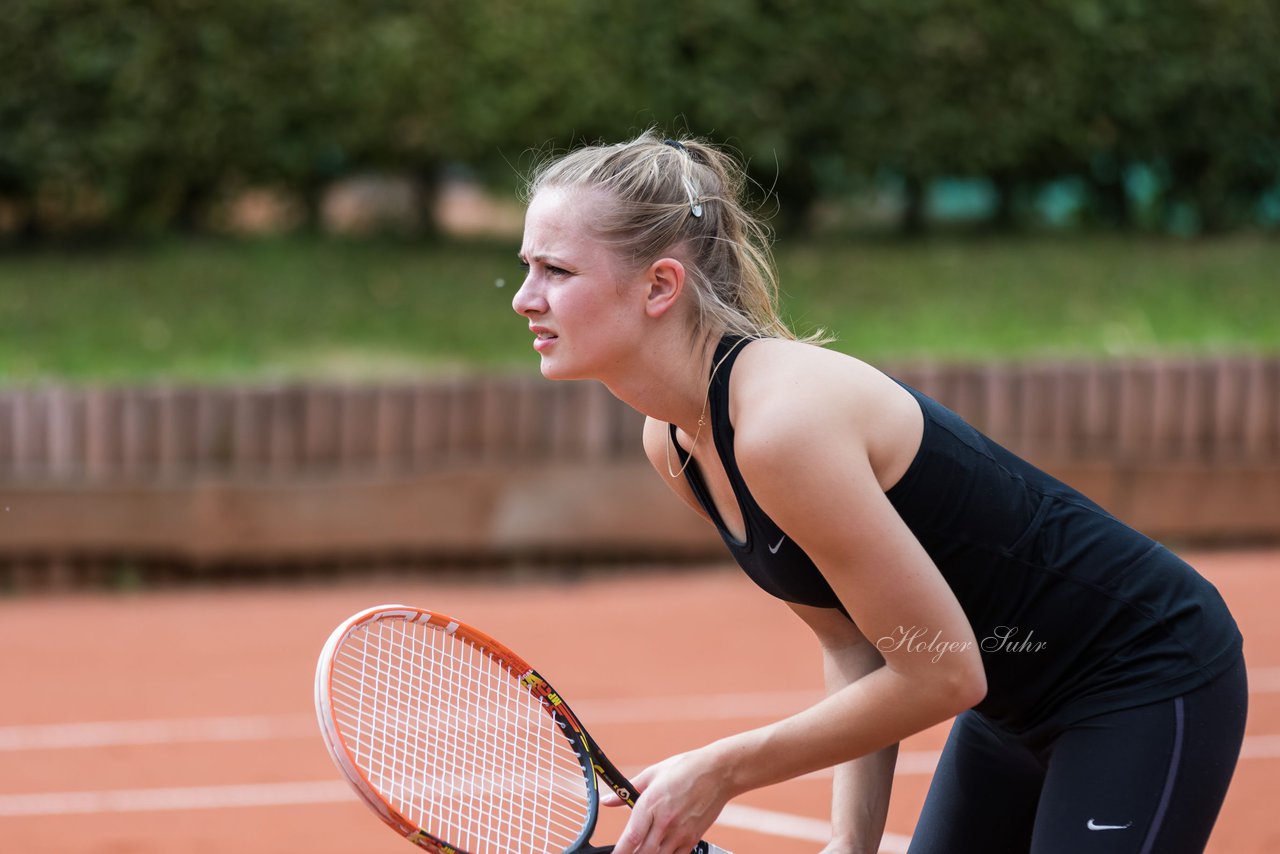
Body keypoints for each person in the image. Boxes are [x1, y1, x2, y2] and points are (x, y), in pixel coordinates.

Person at [511, 130, 1246, 854]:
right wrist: (848, 842)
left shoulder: (781, 427)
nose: (523, 298)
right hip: (1009, 706)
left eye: (556, 270)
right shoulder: (673, 441)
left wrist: (720, 770)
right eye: (526, 267)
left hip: (1141, 672)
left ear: (660, 287)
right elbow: (853, 637)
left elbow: (944, 670)